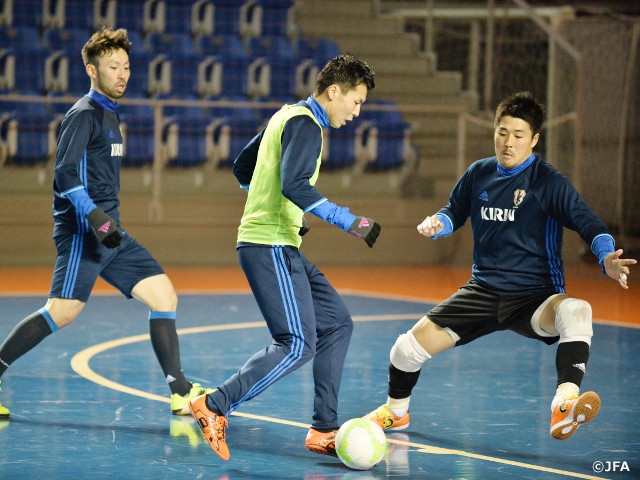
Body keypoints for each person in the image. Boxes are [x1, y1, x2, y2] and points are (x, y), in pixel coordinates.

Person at [364, 91, 636, 440]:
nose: (508, 142)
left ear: (534, 139)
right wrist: (438, 224)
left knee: (578, 310)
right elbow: (454, 211)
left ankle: (564, 401)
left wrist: (606, 257)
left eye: (518, 135)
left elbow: (590, 224)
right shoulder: (479, 173)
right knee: (403, 351)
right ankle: (396, 413)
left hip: (534, 297)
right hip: (482, 291)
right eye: (502, 132)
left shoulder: (547, 183)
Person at [0, 27, 212, 419]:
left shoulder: (111, 115)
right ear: (91, 70)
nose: (123, 74)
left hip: (111, 234)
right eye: (113, 66)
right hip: (84, 233)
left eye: (126, 66)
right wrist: (97, 220)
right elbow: (64, 175)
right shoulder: (83, 115)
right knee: (62, 312)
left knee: (164, 297)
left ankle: (180, 393)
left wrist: (107, 225)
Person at [188, 54, 381, 461]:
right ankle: (215, 405)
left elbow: (244, 167)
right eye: (356, 101)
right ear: (334, 92)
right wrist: (351, 222)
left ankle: (323, 428)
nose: (357, 111)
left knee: (337, 324)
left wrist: (273, 204)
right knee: (295, 343)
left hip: (279, 241)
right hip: (268, 244)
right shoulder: (308, 126)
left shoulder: (287, 115)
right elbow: (294, 183)